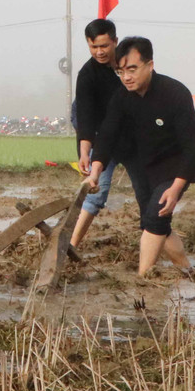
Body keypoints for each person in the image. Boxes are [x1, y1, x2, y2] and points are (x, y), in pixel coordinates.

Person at [88, 36, 195, 279]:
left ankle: (143, 280)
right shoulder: (121, 98)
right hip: (142, 165)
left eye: (132, 69)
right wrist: (95, 171)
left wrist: (176, 189)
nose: (127, 77)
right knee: (154, 223)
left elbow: (192, 146)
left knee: (155, 216)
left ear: (150, 65)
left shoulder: (175, 93)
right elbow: (108, 135)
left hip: (175, 167)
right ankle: (188, 272)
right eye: (121, 71)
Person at [69, 19, 123, 251]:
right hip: (97, 128)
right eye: (94, 47)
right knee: (96, 187)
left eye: (104, 46)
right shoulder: (87, 74)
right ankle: (69, 246)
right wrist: (84, 152)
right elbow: (85, 118)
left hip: (128, 127)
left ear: (115, 42)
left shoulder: (129, 63)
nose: (99, 52)